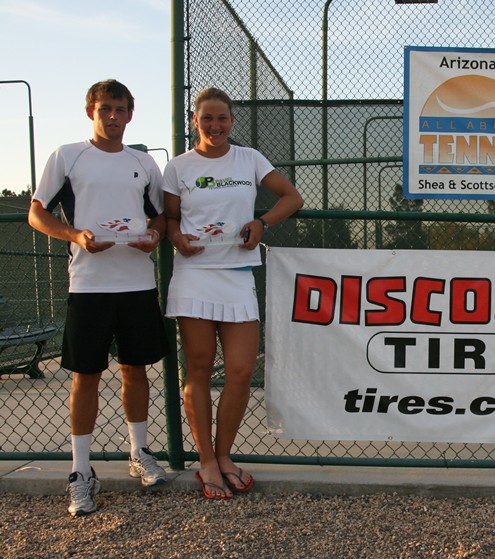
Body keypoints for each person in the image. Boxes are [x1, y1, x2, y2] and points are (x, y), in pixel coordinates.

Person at [28, 79, 169, 516]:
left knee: (136, 370)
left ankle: (139, 452)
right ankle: (81, 471)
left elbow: (161, 219)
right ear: (90, 111)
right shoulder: (68, 156)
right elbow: (37, 213)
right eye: (105, 108)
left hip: (137, 283)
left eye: (120, 109)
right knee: (85, 377)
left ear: (131, 114)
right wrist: (76, 236)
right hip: (88, 285)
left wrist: (153, 237)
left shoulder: (144, 162)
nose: (112, 116)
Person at [163, 87, 304, 500]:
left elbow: (292, 198)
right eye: (207, 118)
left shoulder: (250, 158)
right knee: (199, 370)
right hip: (194, 274)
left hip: (238, 274)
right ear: (195, 121)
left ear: (232, 121)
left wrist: (261, 223)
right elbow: (169, 219)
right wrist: (176, 238)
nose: (215, 126)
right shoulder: (178, 167)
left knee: (240, 372)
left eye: (222, 118)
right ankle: (206, 461)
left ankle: (224, 455)